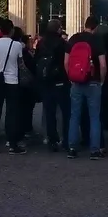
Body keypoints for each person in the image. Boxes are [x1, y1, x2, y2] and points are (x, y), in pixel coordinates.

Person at [65, 16, 106, 160]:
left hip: (76, 82)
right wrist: (101, 80)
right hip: (93, 82)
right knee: (94, 117)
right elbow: (102, 64)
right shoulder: (97, 40)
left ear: (85, 25)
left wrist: (71, 77)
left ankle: (72, 149)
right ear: (95, 27)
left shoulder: (74, 38)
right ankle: (94, 150)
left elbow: (66, 61)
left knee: (74, 116)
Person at [0, 19, 26, 154]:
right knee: (12, 113)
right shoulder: (17, 45)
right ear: (11, 31)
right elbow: (20, 64)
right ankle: (12, 144)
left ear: (0, 30)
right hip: (12, 80)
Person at [36, 19, 69, 152]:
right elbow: (66, 61)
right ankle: (66, 139)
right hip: (60, 80)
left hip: (46, 81)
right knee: (65, 112)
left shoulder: (41, 43)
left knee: (49, 112)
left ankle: (52, 140)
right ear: (58, 29)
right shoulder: (62, 43)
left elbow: (36, 61)